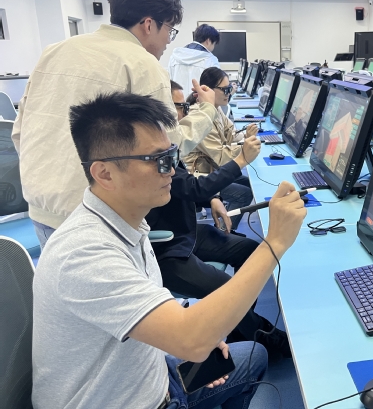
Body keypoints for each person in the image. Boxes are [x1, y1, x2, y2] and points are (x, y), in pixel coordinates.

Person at [32, 91, 306, 409]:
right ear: (104, 173)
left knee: (252, 355)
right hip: (139, 401)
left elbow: (150, 307)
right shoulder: (84, 254)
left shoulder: (128, 222)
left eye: (172, 156)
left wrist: (192, 325)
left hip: (150, 367)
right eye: (159, 161)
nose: (172, 170)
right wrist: (275, 243)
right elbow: (192, 341)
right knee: (219, 345)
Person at [12, 0, 217, 250]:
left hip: (41, 211)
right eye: (169, 30)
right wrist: (207, 109)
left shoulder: (53, 52)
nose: (169, 41)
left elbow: (20, 132)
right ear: (148, 24)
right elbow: (169, 147)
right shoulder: (141, 63)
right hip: (98, 217)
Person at [146, 92, 291, 356]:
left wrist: (211, 198)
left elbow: (185, 184)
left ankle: (240, 329)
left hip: (185, 232)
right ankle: (263, 335)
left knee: (249, 249)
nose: (184, 111)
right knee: (229, 289)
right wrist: (241, 160)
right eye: (181, 106)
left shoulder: (166, 145)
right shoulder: (152, 155)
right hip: (167, 251)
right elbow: (192, 187)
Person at [181, 69, 258, 230]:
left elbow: (231, 135)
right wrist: (245, 149)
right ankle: (224, 233)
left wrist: (246, 137)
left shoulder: (215, 109)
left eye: (230, 88)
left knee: (251, 184)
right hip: (200, 176)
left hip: (212, 168)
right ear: (208, 90)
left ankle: (226, 227)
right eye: (225, 89)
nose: (229, 93)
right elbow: (221, 158)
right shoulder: (201, 118)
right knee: (244, 194)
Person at [169, 23, 221, 97]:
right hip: (200, 102)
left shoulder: (174, 57)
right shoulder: (211, 60)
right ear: (208, 41)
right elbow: (215, 89)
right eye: (214, 44)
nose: (213, 48)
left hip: (177, 101)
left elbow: (169, 83)